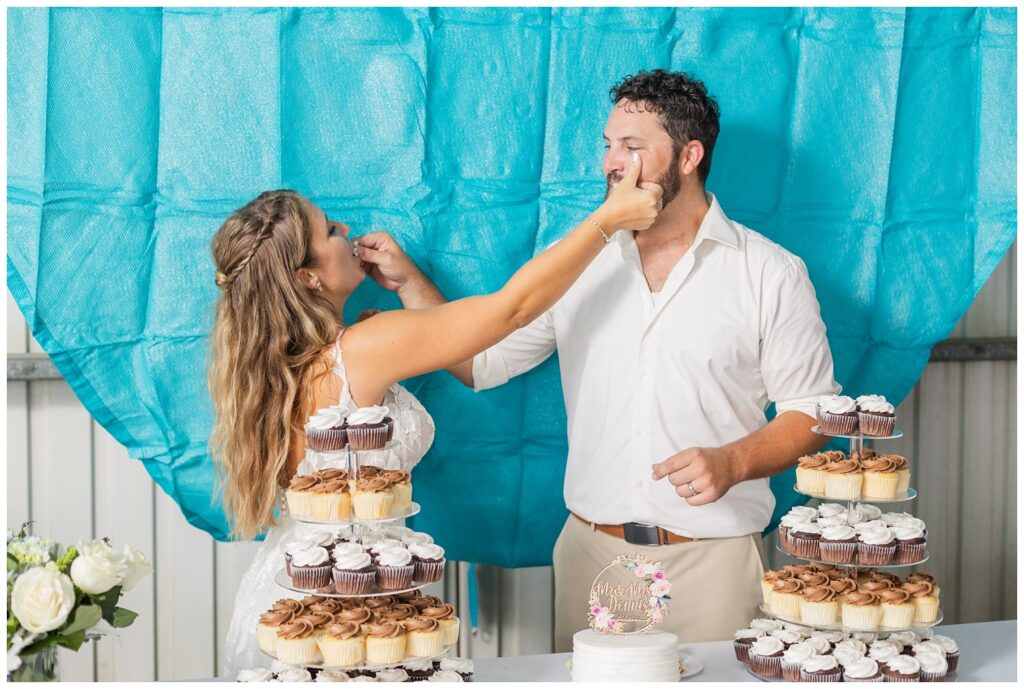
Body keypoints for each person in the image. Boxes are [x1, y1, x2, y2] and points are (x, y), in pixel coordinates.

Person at [358, 69, 841, 648]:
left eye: (633, 148)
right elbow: (480, 362)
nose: (612, 163)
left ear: (689, 156)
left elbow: (814, 412)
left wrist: (734, 462)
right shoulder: (577, 263)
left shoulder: (770, 274)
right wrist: (411, 282)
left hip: (710, 562)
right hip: (592, 557)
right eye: (608, 145)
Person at [211, 162, 662, 673]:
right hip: (337, 612)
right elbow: (510, 311)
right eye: (332, 231)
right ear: (307, 276)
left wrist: (405, 289)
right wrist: (609, 220)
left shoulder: (299, 360)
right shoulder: (364, 348)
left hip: (291, 583)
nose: (347, 233)